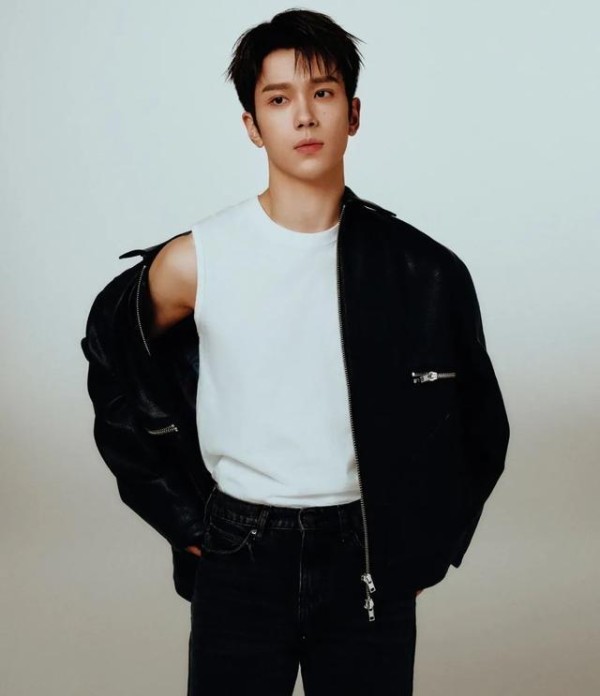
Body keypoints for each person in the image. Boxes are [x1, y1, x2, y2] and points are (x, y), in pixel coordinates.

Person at [81, 9, 510, 695]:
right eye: (279, 99)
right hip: (239, 546)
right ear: (252, 125)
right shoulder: (197, 259)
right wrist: (182, 518)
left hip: (367, 549)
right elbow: (115, 361)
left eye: (323, 92)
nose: (304, 116)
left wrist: (422, 549)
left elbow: (481, 428)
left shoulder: (423, 270)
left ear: (353, 113)